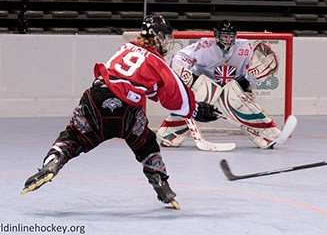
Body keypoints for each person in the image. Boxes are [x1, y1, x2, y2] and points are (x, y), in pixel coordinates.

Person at [21, 15, 221, 209]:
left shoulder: (124, 49)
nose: (167, 43)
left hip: (97, 98)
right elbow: (173, 95)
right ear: (158, 37)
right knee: (146, 143)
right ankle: (161, 183)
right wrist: (195, 110)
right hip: (128, 111)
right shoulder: (158, 62)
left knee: (73, 136)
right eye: (165, 37)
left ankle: (53, 162)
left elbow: (130, 81)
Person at [157, 20, 283, 149]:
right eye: (224, 36)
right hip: (204, 87)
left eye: (230, 36)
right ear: (216, 34)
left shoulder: (245, 47)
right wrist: (189, 78)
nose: (228, 39)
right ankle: (169, 133)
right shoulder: (204, 45)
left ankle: (266, 135)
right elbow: (180, 58)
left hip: (231, 88)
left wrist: (249, 82)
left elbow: (250, 73)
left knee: (240, 101)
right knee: (195, 102)